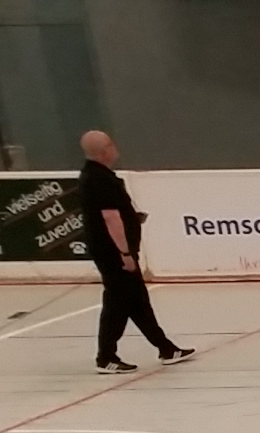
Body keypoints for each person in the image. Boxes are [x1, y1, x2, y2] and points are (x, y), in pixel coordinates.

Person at [77, 130, 191, 375]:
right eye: (111, 144)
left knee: (137, 300)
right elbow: (110, 218)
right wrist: (125, 253)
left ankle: (166, 348)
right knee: (117, 303)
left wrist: (132, 218)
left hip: (115, 250)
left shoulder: (97, 176)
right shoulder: (99, 179)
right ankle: (106, 356)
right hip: (114, 253)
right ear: (104, 150)